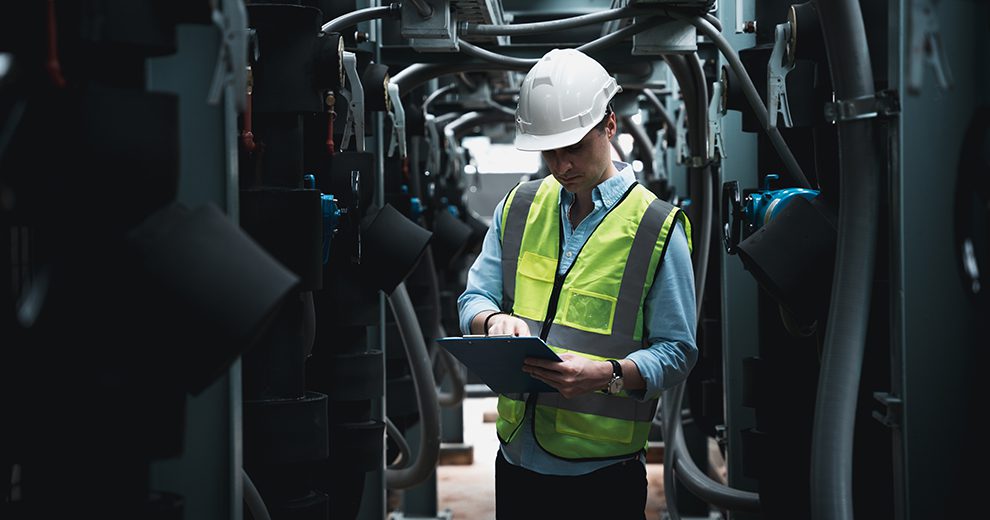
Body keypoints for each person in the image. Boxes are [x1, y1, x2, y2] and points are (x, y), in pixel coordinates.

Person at [456, 48, 698, 519]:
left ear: (609, 125)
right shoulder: (519, 206)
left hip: (601, 477)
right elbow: (475, 295)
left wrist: (606, 375)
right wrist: (492, 320)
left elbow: (678, 351)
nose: (562, 165)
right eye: (550, 150)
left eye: (574, 146)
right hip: (516, 459)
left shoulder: (656, 227)